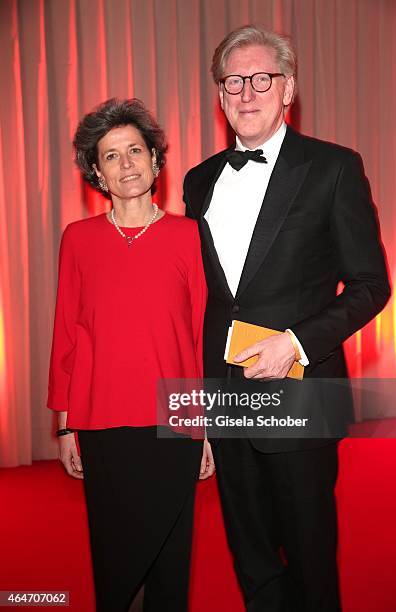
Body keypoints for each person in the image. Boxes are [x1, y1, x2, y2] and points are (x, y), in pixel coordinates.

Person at [183, 25, 390, 612]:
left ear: (288, 88)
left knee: (309, 555)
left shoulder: (333, 168)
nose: (247, 93)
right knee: (250, 556)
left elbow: (372, 286)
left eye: (261, 78)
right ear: (220, 94)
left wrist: (296, 343)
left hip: (300, 393)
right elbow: (208, 298)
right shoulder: (198, 182)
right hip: (224, 399)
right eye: (233, 81)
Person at [47, 97, 214, 612]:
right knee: (116, 555)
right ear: (97, 172)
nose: (126, 165)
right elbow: (67, 334)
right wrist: (65, 423)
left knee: (170, 554)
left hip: (173, 421)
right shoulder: (78, 239)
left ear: (156, 160)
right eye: (112, 156)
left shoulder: (189, 235)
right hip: (101, 419)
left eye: (135, 151)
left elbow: (199, 335)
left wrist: (205, 425)